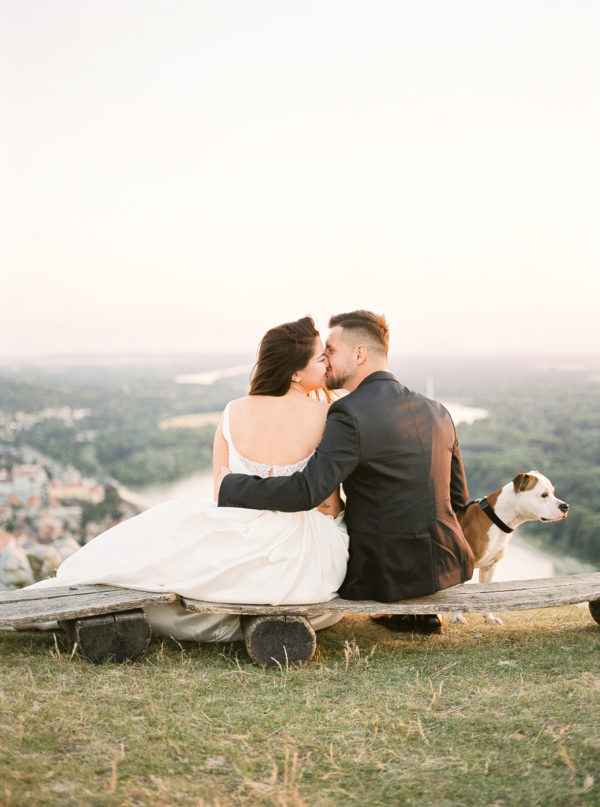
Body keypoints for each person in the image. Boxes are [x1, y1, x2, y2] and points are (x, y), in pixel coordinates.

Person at [29, 317, 349, 642]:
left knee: (168, 535)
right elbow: (328, 505)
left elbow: (219, 498)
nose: (327, 366)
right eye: (321, 358)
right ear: (295, 372)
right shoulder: (328, 415)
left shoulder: (233, 411)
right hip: (299, 551)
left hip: (238, 532)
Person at [219, 310, 475, 634]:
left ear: (359, 354)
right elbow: (458, 497)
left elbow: (307, 491)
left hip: (382, 575)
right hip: (445, 565)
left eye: (331, 350)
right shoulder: (438, 411)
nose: (325, 358)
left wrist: (232, 486)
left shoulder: (348, 412)